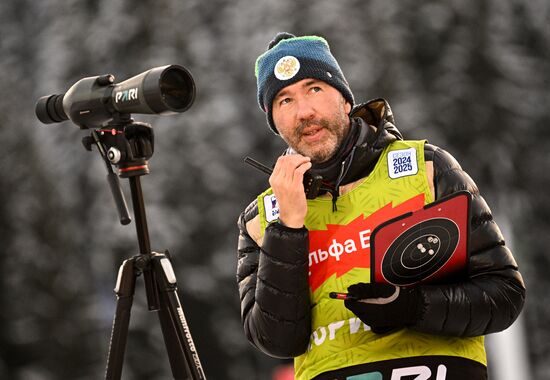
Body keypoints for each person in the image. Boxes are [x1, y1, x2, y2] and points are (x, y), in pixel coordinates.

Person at [236, 32, 525, 380]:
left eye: (315, 89)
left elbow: (504, 294)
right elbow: (276, 340)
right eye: (284, 101)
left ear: (344, 100)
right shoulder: (262, 218)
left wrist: (413, 308)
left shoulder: (427, 168)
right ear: (274, 122)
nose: (304, 112)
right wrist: (288, 228)